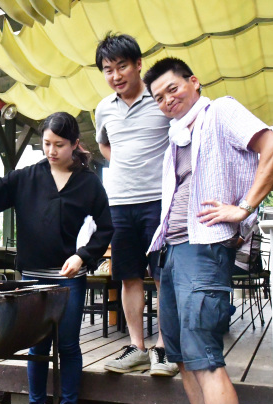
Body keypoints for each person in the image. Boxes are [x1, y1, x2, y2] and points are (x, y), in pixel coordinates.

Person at [143, 57, 273, 404]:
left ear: (194, 82)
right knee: (181, 355)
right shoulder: (176, 137)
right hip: (172, 250)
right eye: (158, 98)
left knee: (203, 355)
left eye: (172, 89)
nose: (167, 101)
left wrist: (243, 207)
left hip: (204, 249)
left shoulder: (220, 111)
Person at [0, 112, 113, 404]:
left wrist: (83, 255)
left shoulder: (88, 183)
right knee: (38, 345)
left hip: (70, 280)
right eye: (47, 143)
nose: (51, 150)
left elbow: (107, 227)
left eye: (59, 145)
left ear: (75, 145)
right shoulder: (27, 176)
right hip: (32, 280)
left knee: (68, 345)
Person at [94, 33, 178, 376]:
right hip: (118, 203)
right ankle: (137, 347)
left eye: (122, 66)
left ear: (138, 65)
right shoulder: (103, 108)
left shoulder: (159, 99)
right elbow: (104, 146)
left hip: (158, 202)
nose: (115, 75)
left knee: (162, 277)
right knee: (128, 276)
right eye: (108, 69)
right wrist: (125, 167)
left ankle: (163, 349)